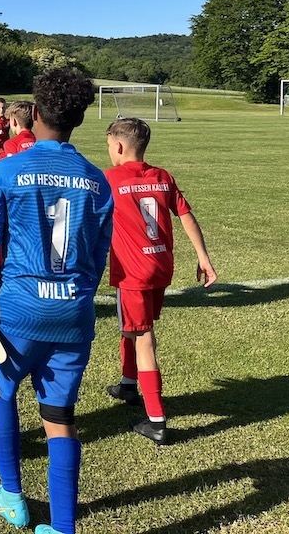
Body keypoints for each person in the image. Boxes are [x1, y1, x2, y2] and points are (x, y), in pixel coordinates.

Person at [0, 68, 114, 534]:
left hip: (19, 311)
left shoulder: (7, 169)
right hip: (73, 313)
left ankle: (12, 497)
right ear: (78, 120)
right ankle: (63, 528)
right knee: (60, 418)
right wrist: (73, 297)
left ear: (36, 112)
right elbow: (97, 257)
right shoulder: (97, 179)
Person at [104, 117, 218, 446]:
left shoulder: (110, 179)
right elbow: (185, 215)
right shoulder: (162, 177)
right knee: (133, 325)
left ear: (119, 146)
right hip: (160, 266)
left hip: (134, 272)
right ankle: (128, 384)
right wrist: (203, 257)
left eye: (109, 145)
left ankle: (156, 420)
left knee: (143, 337)